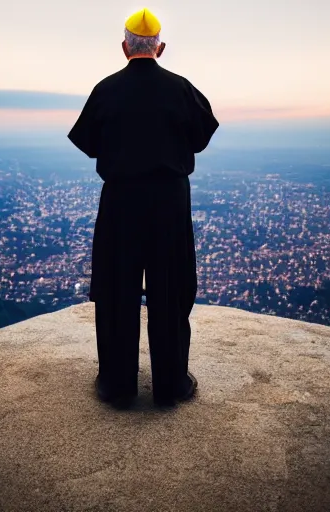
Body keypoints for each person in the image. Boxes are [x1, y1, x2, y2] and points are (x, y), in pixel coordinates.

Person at [67, 8, 219, 407]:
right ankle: (171, 385)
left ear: (124, 47)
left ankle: (117, 386)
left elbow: (89, 144)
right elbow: (201, 138)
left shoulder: (105, 90)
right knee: (171, 288)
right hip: (169, 202)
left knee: (117, 288)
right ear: (160, 47)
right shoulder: (182, 89)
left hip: (121, 202)